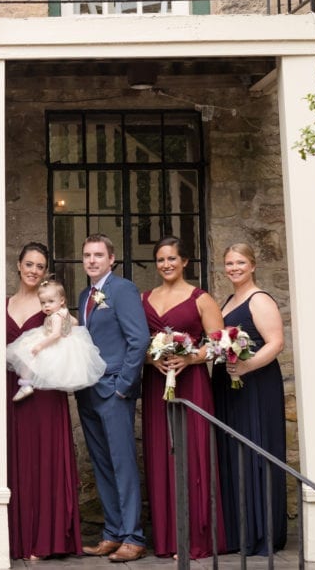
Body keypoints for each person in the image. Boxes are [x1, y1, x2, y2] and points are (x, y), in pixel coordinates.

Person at [140, 236, 226, 558]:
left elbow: (219, 344)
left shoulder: (201, 298)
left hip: (192, 386)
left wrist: (190, 358)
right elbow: (137, 343)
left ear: (185, 261)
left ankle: (195, 539)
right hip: (156, 385)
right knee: (162, 455)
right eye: (161, 259)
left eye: (172, 259)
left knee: (192, 454)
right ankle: (167, 538)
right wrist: (152, 358)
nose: (166, 265)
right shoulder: (144, 298)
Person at [75, 233, 150, 562]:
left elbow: (139, 339)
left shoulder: (122, 289)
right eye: (87, 255)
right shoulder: (84, 295)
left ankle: (134, 536)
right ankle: (112, 532)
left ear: (112, 259)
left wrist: (123, 385)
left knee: (122, 464)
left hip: (114, 390)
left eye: (98, 255)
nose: (92, 260)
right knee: (102, 465)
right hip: (88, 391)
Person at [5, 242, 82, 560]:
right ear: (19, 265)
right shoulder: (3, 303)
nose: (33, 270)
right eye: (29, 264)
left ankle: (46, 539)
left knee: (45, 457)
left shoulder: (52, 304)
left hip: (45, 390)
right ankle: (15, 537)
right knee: (16, 459)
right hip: (12, 387)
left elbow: (70, 330)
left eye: (39, 266)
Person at [213, 243, 287, 556]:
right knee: (233, 452)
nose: (234, 268)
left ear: (253, 265)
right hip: (230, 386)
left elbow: (276, 343)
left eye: (240, 262)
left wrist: (245, 366)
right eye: (229, 263)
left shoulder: (261, 299)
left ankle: (262, 532)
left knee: (256, 451)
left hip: (255, 384)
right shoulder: (229, 300)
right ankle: (238, 530)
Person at [6, 278, 105, 401]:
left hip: (53, 341)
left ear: (61, 300)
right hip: (59, 339)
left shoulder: (55, 317)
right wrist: (68, 331)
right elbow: (74, 322)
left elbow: (55, 335)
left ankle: (26, 384)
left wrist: (40, 345)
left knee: (28, 354)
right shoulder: (64, 312)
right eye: (43, 302)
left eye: (51, 301)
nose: (46, 305)